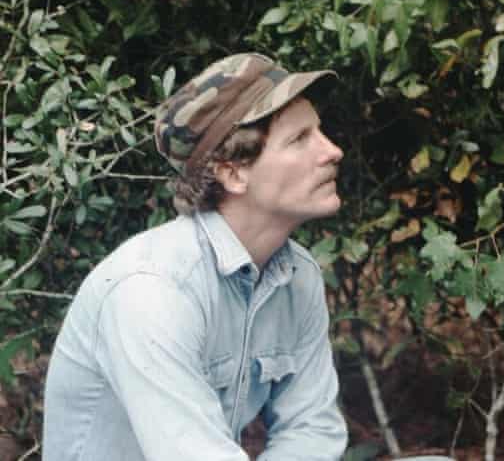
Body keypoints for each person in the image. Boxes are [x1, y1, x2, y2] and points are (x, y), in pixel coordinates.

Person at [42, 52, 349, 460]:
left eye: (320, 132)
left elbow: (311, 430)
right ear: (234, 173)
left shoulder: (297, 276)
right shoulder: (151, 290)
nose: (332, 151)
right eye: (299, 139)